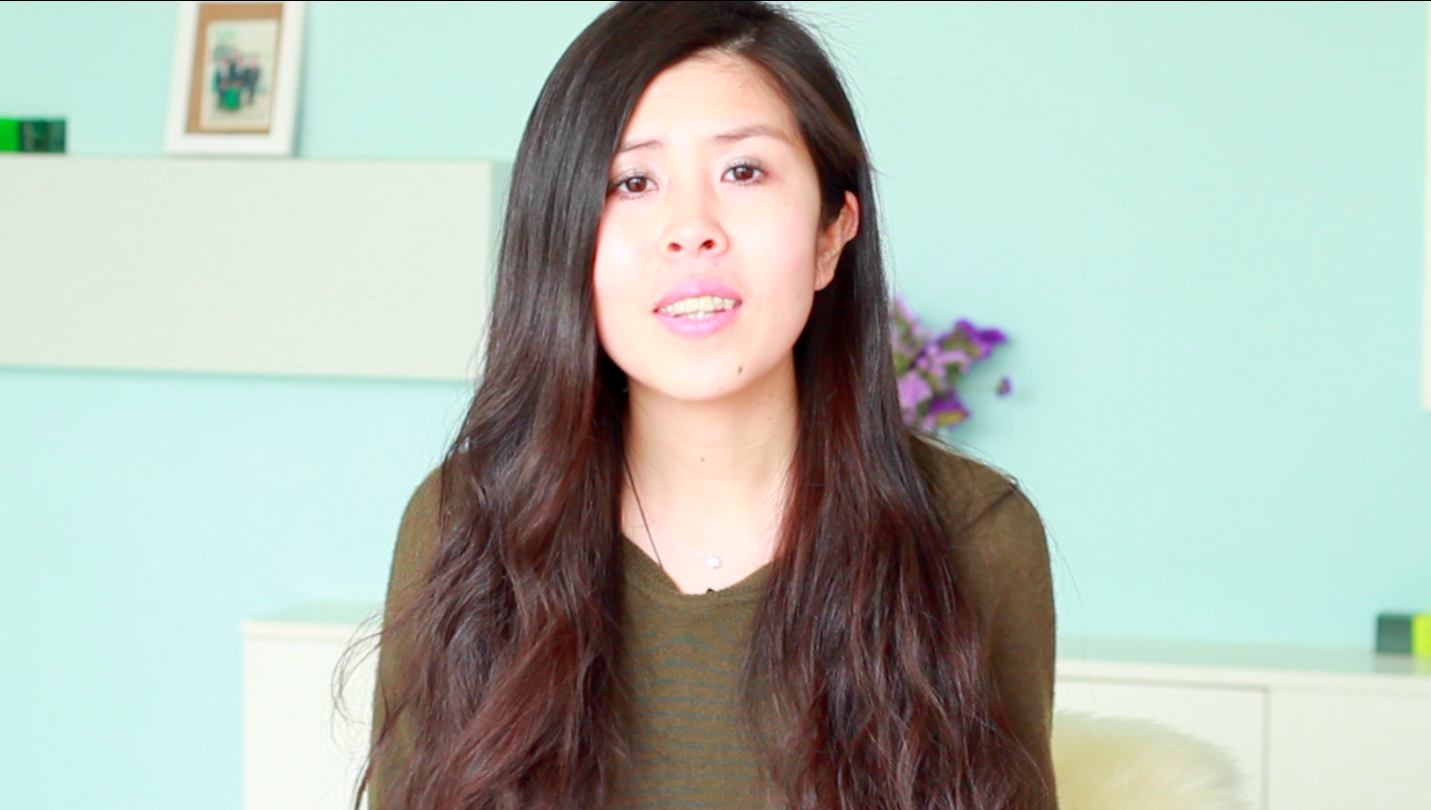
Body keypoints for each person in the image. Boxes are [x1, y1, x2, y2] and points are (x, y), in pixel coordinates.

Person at [360, 2, 1057, 808]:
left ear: (832, 231)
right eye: (632, 182)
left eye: (743, 171)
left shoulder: (974, 532)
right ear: (562, 241)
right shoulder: (464, 519)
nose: (691, 230)